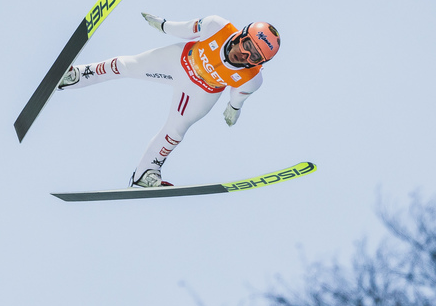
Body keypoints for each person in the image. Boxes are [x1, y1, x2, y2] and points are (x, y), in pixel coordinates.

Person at [56, 13, 281, 187]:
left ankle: (146, 173)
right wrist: (163, 25)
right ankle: (76, 75)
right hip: (178, 61)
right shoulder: (217, 26)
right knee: (126, 65)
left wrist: (234, 108)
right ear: (241, 35)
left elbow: (239, 93)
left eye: (255, 57)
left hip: (202, 92)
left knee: (176, 131)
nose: (245, 55)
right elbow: (186, 29)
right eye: (247, 46)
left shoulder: (252, 79)